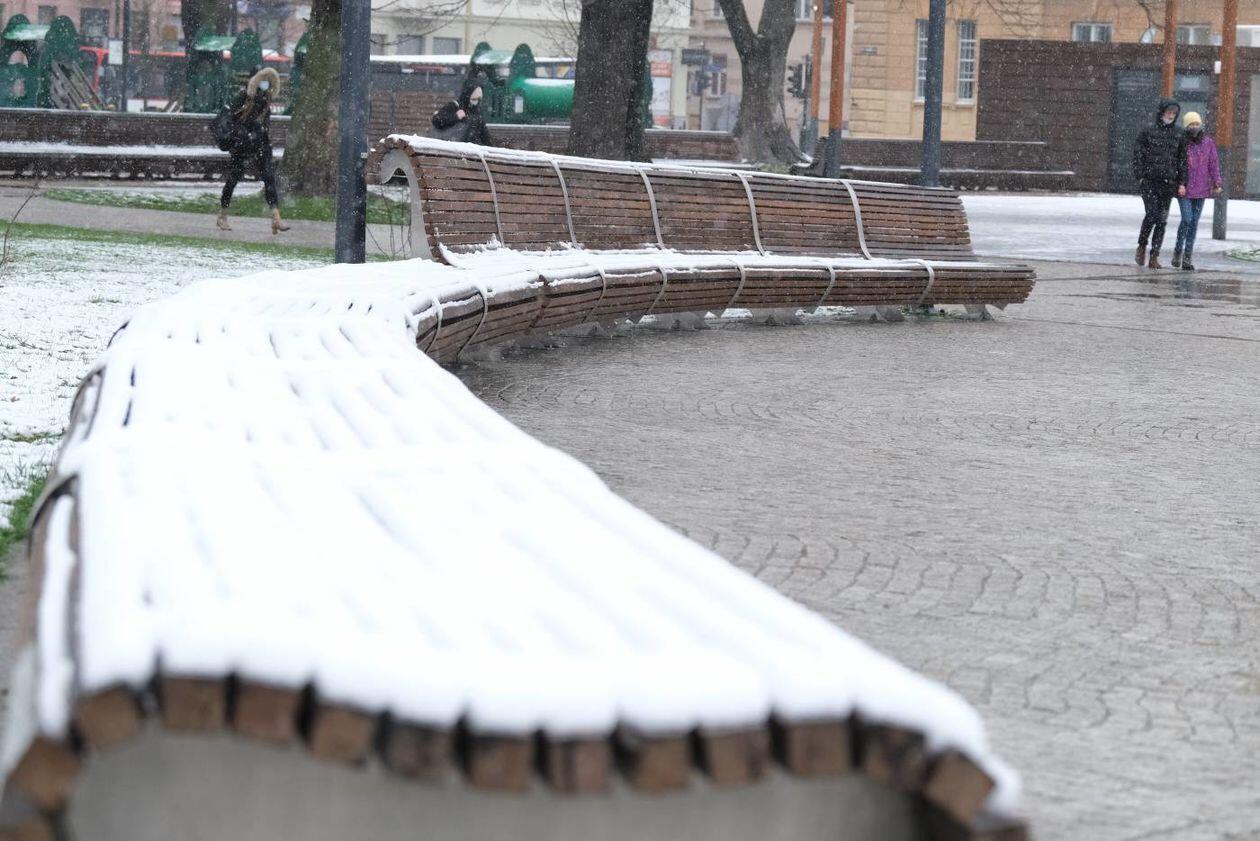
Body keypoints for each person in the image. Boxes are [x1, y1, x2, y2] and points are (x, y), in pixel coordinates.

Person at [216, 66, 290, 234]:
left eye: (267, 81)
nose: (265, 84)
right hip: (242, 145)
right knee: (233, 179)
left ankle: (276, 217)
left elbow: (265, 124)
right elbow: (231, 119)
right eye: (262, 80)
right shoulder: (244, 97)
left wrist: (261, 136)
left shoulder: (266, 98)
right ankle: (222, 215)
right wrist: (243, 133)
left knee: (269, 179)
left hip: (260, 145)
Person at [1131, 98, 1183, 269]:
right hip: (1150, 181)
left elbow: (1182, 160)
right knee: (1152, 214)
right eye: (1169, 112)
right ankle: (1142, 246)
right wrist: (1140, 175)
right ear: (1161, 112)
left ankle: (1154, 255)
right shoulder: (1148, 131)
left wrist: (1181, 181)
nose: (1171, 115)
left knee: (1162, 220)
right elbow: (1138, 154)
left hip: (1168, 183)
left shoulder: (1179, 134)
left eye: (1174, 113)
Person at [1173, 111, 1222, 271]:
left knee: (1194, 223)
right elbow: (1177, 164)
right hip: (1185, 189)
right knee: (1187, 219)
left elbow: (1213, 163)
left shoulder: (1208, 143)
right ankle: (1178, 250)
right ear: (1186, 126)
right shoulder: (1182, 142)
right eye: (1191, 124)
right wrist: (1179, 183)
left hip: (1201, 189)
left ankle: (1187, 257)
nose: (1194, 127)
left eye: (1196, 124)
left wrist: (1217, 182)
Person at [430, 74, 494, 145]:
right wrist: (456, 117)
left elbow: (485, 137)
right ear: (467, 95)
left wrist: (493, 149)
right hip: (452, 148)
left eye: (479, 99)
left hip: (468, 149)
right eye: (474, 99)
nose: (476, 103)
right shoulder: (454, 106)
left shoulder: (477, 113)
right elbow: (437, 121)